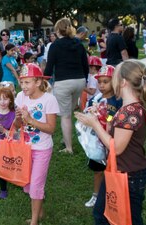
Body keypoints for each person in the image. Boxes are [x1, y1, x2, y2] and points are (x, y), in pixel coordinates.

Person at [74, 60, 146, 225]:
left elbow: (116, 147)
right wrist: (100, 117)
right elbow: (113, 126)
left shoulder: (131, 111)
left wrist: (94, 124)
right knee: (101, 213)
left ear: (124, 82)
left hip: (130, 176)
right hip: (117, 171)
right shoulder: (125, 108)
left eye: (115, 75)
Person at [14, 63, 59, 225]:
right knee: (28, 185)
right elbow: (17, 126)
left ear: (39, 82)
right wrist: (18, 119)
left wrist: (30, 120)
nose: (23, 87)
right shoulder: (20, 97)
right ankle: (40, 212)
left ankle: (34, 224)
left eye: (27, 82)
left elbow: (51, 129)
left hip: (41, 149)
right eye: (22, 82)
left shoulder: (49, 100)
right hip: (25, 148)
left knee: (36, 186)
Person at [44, 18, 89, 154]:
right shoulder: (78, 43)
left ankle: (68, 147)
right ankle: (66, 138)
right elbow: (85, 65)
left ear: (58, 30)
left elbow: (49, 68)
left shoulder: (55, 45)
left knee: (65, 116)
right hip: (79, 81)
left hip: (64, 82)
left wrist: (44, 81)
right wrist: (84, 80)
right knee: (69, 111)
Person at [82, 65, 122, 208]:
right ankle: (96, 195)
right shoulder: (96, 98)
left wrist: (107, 119)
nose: (102, 85)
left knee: (113, 169)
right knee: (98, 170)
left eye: (106, 81)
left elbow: (116, 119)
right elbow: (88, 114)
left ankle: (113, 194)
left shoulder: (118, 100)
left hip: (112, 140)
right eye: (100, 82)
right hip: (96, 141)